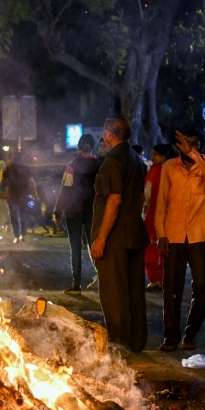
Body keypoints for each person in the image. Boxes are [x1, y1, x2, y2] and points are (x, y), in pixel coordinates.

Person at [155, 130, 205, 352]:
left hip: (200, 235)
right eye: (185, 143)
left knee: (200, 287)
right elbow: (161, 201)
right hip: (173, 235)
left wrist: (193, 154)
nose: (188, 147)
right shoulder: (169, 167)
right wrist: (160, 234)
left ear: (200, 146)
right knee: (172, 288)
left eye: (194, 143)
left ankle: (190, 334)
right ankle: (171, 337)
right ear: (176, 145)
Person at [90, 117, 149, 353]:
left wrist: (101, 238)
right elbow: (141, 198)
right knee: (134, 290)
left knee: (114, 293)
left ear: (109, 134)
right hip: (135, 234)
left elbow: (114, 200)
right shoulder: (136, 159)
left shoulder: (113, 162)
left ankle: (119, 343)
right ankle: (136, 341)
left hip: (115, 237)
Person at [53, 134, 102, 294]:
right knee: (95, 245)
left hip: (73, 211)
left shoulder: (72, 166)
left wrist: (58, 211)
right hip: (93, 211)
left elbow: (65, 190)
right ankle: (103, 278)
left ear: (79, 147)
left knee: (75, 248)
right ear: (93, 147)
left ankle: (76, 285)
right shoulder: (101, 165)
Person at [142, 144, 174, 290]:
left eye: (155, 154)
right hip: (171, 214)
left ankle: (155, 278)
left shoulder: (154, 171)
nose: (152, 157)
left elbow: (147, 195)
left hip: (153, 213)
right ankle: (167, 278)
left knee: (151, 246)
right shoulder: (175, 170)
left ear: (163, 156)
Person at [6, 153, 38, 243]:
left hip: (16, 195)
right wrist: (35, 194)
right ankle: (21, 235)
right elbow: (32, 182)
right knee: (21, 215)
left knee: (16, 215)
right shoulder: (12, 169)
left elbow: (2, 181)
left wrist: (35, 193)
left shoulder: (10, 169)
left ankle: (19, 235)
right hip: (17, 195)